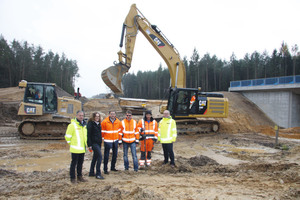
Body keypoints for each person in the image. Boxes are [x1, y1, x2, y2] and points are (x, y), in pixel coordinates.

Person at [65, 110, 88, 183]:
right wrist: (71, 144)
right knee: (73, 164)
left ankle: (79, 176)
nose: (81, 117)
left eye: (82, 115)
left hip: (82, 148)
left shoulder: (84, 125)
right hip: (75, 149)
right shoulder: (72, 125)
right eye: (80, 115)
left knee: (80, 164)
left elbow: (85, 136)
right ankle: (72, 178)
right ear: (76, 116)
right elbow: (67, 136)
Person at [87, 112, 104, 179]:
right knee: (100, 157)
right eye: (96, 116)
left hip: (98, 143)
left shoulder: (99, 124)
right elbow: (88, 135)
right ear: (93, 117)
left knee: (95, 158)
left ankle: (91, 172)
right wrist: (89, 145)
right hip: (94, 143)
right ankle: (98, 173)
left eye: (98, 116)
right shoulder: (90, 124)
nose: (97, 118)